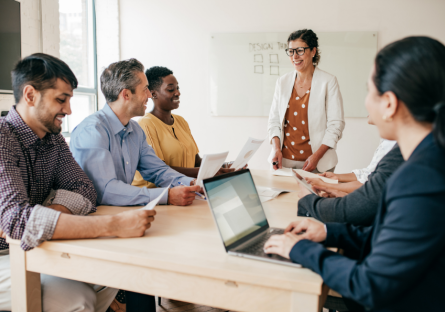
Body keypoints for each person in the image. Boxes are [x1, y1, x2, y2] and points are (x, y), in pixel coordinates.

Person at [264, 36, 445, 311]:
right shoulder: (424, 157)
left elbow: (369, 285)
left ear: (389, 104)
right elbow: (388, 237)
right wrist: (327, 231)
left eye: (369, 91)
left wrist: (297, 249)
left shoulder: (420, 179)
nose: (366, 103)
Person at [0, 53, 156, 311]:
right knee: (77, 299)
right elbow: (16, 221)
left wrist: (44, 216)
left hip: (34, 246)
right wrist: (113, 224)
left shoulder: (52, 139)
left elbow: (85, 190)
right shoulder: (3, 137)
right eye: (61, 100)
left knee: (115, 273)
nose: (69, 110)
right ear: (30, 95)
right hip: (6, 255)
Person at [70, 59, 201, 207]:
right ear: (126, 94)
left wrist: (191, 183)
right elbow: (106, 191)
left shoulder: (135, 131)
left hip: (121, 214)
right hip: (93, 218)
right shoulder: (92, 131)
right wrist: (166, 196)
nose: (149, 95)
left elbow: (158, 170)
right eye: (145, 89)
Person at [132, 66, 234, 188]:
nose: (177, 93)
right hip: (157, 195)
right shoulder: (145, 124)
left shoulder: (181, 122)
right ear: (153, 94)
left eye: (177, 88)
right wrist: (205, 173)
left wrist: (223, 166)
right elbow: (159, 170)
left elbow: (196, 161)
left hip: (186, 190)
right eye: (171, 89)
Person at [268, 29, 345, 173]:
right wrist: (276, 149)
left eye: (300, 50)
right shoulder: (282, 82)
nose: (294, 56)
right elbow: (274, 121)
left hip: (318, 163)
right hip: (283, 163)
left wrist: (316, 157)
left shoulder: (328, 81)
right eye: (290, 51)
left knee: (315, 196)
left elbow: (336, 125)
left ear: (313, 51)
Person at [297, 143, 403, 225]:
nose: (368, 113)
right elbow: (370, 174)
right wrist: (338, 180)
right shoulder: (392, 145)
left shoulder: (398, 155)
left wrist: (308, 199)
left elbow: (358, 207)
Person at [305, 117, 397, 194]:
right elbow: (369, 173)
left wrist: (327, 185)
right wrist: (337, 177)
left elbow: (371, 185)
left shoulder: (396, 146)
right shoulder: (388, 139)